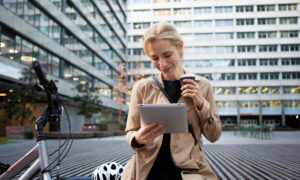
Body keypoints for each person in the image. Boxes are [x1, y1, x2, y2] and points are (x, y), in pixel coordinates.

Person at [122, 22, 221, 180]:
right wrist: (138, 138)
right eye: (155, 58)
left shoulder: (203, 86)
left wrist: (201, 104)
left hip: (189, 170)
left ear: (180, 47)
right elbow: (130, 132)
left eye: (167, 55)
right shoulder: (142, 88)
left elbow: (214, 135)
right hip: (146, 169)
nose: (162, 64)